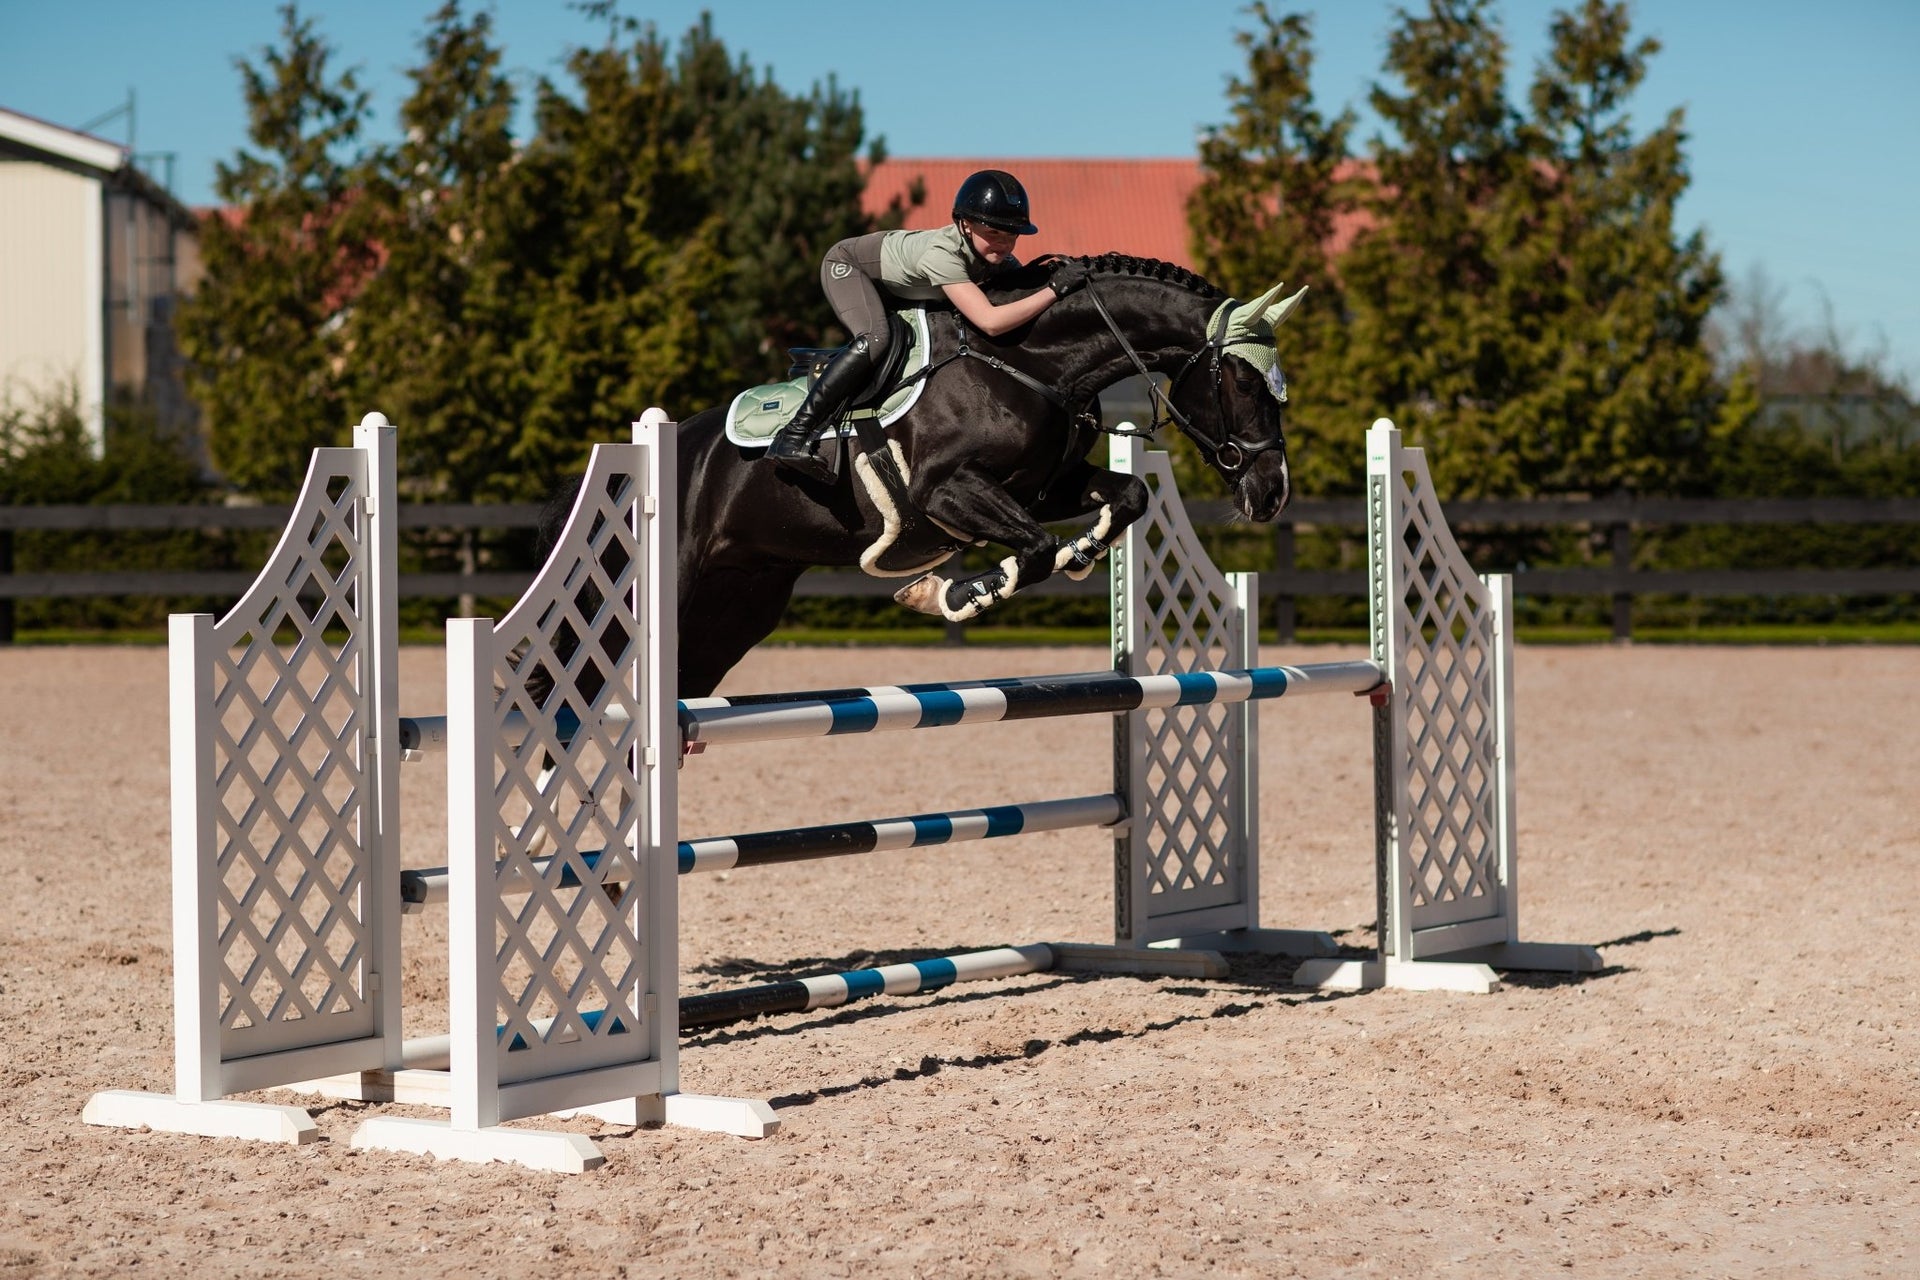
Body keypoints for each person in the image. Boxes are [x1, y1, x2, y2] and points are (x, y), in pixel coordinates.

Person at [766, 169, 1091, 482]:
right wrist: (1054, 289)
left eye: (1011, 235)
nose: (1003, 245)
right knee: (877, 337)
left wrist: (1053, 275)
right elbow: (991, 322)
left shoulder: (997, 259)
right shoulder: (943, 254)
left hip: (900, 284)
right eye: (993, 233)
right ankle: (794, 435)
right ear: (964, 225)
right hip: (849, 268)